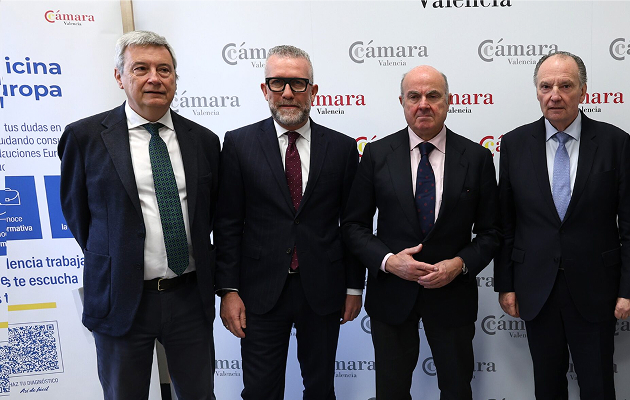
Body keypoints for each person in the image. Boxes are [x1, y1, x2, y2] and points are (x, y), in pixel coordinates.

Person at [58, 30, 219, 400]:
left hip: (188, 298)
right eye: (141, 69)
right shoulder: (84, 138)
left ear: (175, 78)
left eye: (164, 70)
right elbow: (78, 216)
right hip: (120, 296)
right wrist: (122, 256)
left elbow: (211, 216)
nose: (154, 78)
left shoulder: (204, 141)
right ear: (120, 77)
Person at [342, 65, 500, 400]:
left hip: (452, 295)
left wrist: (459, 263)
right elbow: (354, 226)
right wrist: (388, 261)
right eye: (414, 96)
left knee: (457, 389)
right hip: (391, 295)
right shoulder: (376, 155)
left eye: (433, 95)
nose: (423, 104)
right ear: (402, 101)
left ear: (448, 101)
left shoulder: (477, 158)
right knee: (391, 390)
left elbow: (491, 232)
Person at [214, 45, 363, 400]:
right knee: (261, 391)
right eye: (278, 83)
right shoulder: (238, 143)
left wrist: (354, 288)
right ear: (264, 90)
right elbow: (228, 223)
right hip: (259, 292)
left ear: (313, 91)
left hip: (324, 290)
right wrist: (228, 290)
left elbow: (354, 224)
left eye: (298, 83)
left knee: (320, 388)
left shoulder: (343, 148)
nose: (287, 93)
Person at [494, 51, 630, 400]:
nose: (555, 95)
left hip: (597, 288)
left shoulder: (614, 142)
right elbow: (506, 223)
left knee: (598, 386)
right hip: (536, 288)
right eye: (546, 86)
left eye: (565, 85)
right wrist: (506, 284)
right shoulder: (515, 143)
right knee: (547, 387)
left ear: (584, 91)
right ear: (536, 91)